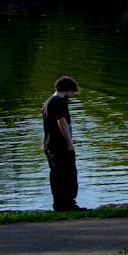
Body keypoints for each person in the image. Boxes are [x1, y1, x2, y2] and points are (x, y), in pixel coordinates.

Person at [41, 76, 84, 211]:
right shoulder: (60, 102)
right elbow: (62, 122)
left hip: (49, 145)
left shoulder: (47, 102)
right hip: (60, 145)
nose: (72, 95)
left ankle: (59, 204)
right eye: (72, 92)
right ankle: (68, 204)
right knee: (68, 174)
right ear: (67, 90)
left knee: (56, 175)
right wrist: (69, 143)